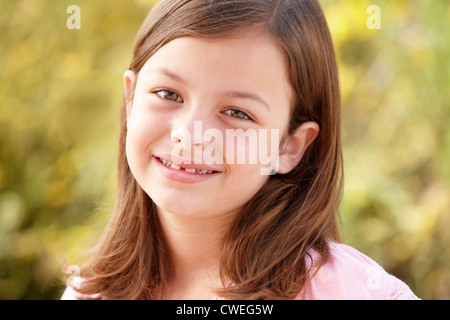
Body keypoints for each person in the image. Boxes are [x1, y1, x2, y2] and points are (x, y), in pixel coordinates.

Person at [61, 0, 418, 300]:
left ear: (289, 146)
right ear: (130, 98)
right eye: (169, 94)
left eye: (237, 113)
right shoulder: (89, 293)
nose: (190, 134)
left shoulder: (353, 293)